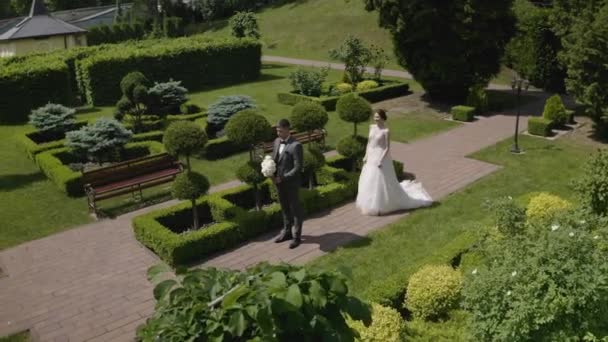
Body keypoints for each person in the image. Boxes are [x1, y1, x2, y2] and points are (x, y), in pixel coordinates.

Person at [356, 109, 433, 215]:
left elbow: (387, 148)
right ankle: (368, 204)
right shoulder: (371, 127)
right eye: (375, 117)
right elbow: (369, 143)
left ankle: (380, 205)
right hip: (371, 156)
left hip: (381, 156)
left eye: (378, 117)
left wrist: (380, 160)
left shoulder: (386, 131)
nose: (376, 119)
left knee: (380, 180)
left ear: (383, 118)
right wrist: (366, 155)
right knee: (369, 179)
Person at [272, 119, 305, 249]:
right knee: (284, 208)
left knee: (295, 209)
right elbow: (274, 158)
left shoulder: (296, 145)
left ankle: (297, 237)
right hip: (279, 183)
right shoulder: (276, 141)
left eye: (280, 131)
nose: (278, 133)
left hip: (291, 183)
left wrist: (283, 177)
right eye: (277, 130)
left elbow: (298, 167)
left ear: (287, 129)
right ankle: (287, 232)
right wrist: (269, 170)